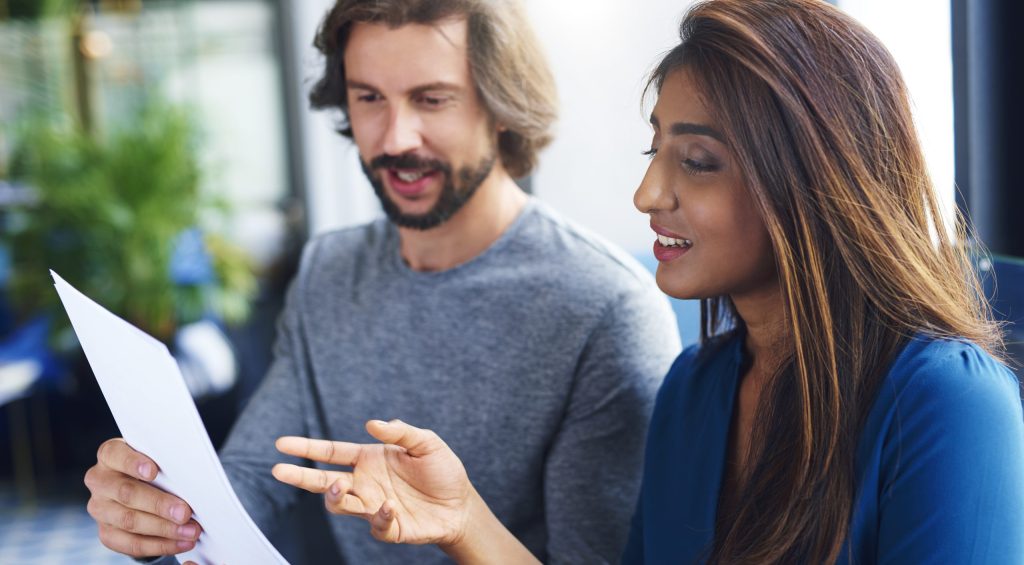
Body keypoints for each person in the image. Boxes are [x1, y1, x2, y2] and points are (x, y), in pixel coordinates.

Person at [271, 0, 1024, 563]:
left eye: (696, 162)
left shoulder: (947, 401)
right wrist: (463, 517)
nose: (648, 195)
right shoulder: (696, 390)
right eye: (653, 151)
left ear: (814, 182)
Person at [81, 1, 681, 563]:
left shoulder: (605, 309)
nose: (394, 139)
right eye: (369, 97)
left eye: (432, 99)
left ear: (502, 108)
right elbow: (252, 482)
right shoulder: (329, 273)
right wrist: (160, 515)